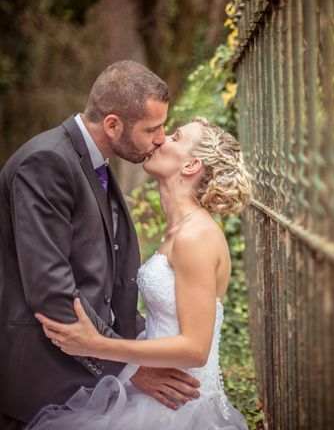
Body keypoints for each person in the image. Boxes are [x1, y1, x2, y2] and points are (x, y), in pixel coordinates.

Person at [0, 60, 201, 428]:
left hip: (89, 373)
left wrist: (144, 345)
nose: (160, 138)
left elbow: (107, 283)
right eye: (152, 128)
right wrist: (130, 369)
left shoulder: (96, 163)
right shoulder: (46, 162)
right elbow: (51, 291)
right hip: (42, 381)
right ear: (113, 124)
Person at [28, 117, 252, 429]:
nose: (161, 140)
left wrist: (97, 345)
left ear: (191, 166)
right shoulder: (179, 232)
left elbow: (194, 349)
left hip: (178, 407)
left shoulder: (195, 237)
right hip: (155, 389)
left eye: (175, 136)